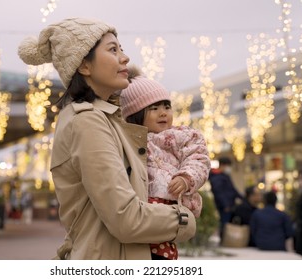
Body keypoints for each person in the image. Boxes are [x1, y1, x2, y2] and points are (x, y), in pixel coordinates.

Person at [18, 17, 196, 260]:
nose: (124, 58)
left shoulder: (105, 119)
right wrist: (185, 218)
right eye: (113, 50)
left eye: (121, 49)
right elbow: (126, 218)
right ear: (84, 66)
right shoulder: (87, 121)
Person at [120, 66, 211, 259]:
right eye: (154, 108)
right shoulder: (128, 141)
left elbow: (199, 159)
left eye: (166, 107)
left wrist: (186, 178)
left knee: (163, 255)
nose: (163, 113)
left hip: (171, 204)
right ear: (135, 114)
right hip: (142, 209)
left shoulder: (182, 136)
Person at [208, 157, 243, 240]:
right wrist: (225, 205)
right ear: (223, 165)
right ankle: (224, 239)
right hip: (224, 206)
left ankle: (226, 239)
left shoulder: (225, 176)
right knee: (224, 223)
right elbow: (218, 193)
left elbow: (232, 189)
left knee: (227, 223)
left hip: (229, 204)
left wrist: (242, 198)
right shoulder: (217, 177)